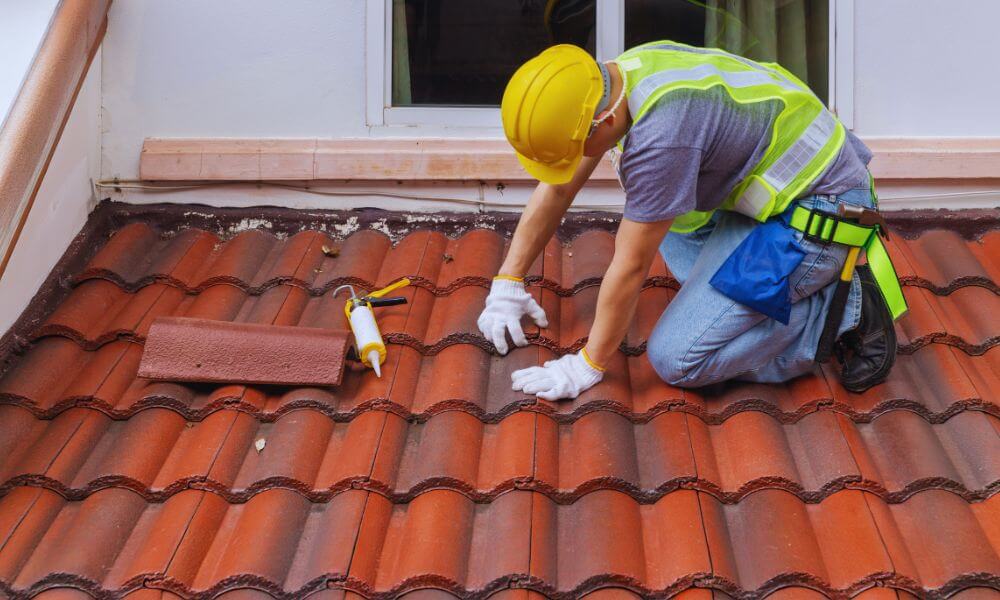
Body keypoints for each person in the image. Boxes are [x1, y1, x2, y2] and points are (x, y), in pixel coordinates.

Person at [477, 41, 906, 401]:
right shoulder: (617, 78)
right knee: (672, 224)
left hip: (821, 210)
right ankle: (774, 292)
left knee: (678, 358)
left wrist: (587, 364)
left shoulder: (663, 138)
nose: (575, 163)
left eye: (575, 149)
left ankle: (841, 312)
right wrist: (508, 282)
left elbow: (631, 264)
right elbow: (558, 189)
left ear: (601, 122)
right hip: (776, 197)